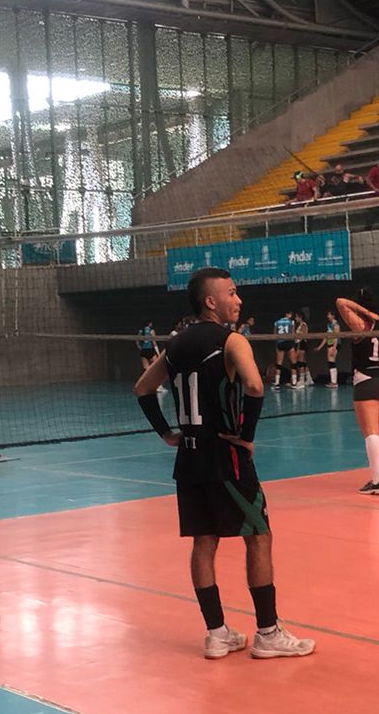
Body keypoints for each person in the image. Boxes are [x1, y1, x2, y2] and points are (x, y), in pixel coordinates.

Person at [133, 267, 314, 661]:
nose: (239, 300)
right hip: (226, 456)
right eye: (232, 293)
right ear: (211, 301)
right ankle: (267, 632)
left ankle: (217, 633)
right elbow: (255, 386)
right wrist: (246, 433)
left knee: (204, 541)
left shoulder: (175, 345)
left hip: (189, 458)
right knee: (259, 536)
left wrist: (166, 432)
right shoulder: (232, 340)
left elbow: (143, 388)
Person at [336, 291, 379, 495]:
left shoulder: (361, 325)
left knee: (371, 431)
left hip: (367, 379)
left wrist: (365, 312)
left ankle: (377, 482)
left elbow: (340, 302)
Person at [272, 310, 294, 389]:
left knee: (279, 364)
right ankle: (294, 383)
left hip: (280, 342)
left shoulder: (276, 322)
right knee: (293, 363)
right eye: (290, 314)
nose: (291, 315)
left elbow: (274, 334)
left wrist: (277, 344)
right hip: (288, 341)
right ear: (287, 314)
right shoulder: (291, 322)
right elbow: (292, 333)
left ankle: (277, 383)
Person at [322, 307, 341, 389]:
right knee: (330, 362)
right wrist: (320, 346)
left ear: (333, 316)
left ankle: (334, 382)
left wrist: (334, 347)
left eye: (329, 314)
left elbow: (336, 337)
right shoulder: (329, 324)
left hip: (335, 344)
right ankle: (333, 381)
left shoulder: (336, 325)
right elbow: (326, 336)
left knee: (331, 361)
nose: (327, 316)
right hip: (330, 344)